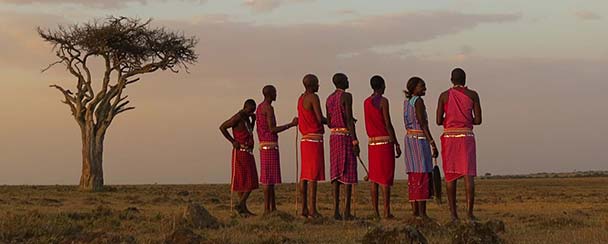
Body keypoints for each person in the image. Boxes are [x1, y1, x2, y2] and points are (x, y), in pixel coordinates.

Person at [436, 68, 482, 223]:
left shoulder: (444, 96)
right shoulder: (473, 95)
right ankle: (469, 214)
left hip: (449, 137)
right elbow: (478, 120)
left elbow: (437, 120)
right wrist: (465, 120)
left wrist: (451, 120)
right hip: (466, 136)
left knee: (450, 175)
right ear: (465, 79)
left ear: (451, 79)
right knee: (468, 175)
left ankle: (453, 215)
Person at [256, 85, 298, 215]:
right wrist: (291, 125)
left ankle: (272, 208)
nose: (276, 94)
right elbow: (272, 129)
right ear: (270, 94)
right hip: (269, 145)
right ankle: (267, 209)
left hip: (264, 144)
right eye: (275, 92)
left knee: (270, 179)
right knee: (268, 180)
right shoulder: (268, 108)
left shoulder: (259, 107)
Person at [363, 75, 401, 219]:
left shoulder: (366, 102)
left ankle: (375, 211)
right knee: (385, 178)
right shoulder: (383, 101)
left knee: (374, 177)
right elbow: (388, 123)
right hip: (385, 142)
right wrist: (396, 142)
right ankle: (386, 211)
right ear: (382, 85)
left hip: (372, 143)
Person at [403, 77, 439, 219]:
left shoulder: (406, 102)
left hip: (410, 140)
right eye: (421, 86)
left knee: (413, 175)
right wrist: (432, 142)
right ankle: (422, 213)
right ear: (414, 88)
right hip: (419, 140)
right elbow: (422, 123)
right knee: (422, 174)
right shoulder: (418, 101)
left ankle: (415, 212)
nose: (424, 88)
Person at [326, 73, 359, 220]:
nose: (349, 81)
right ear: (342, 82)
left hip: (333, 137)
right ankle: (346, 211)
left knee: (335, 174)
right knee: (348, 172)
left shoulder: (329, 98)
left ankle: (335, 211)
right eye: (347, 79)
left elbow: (329, 121)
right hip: (345, 136)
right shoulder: (347, 96)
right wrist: (355, 141)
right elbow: (349, 121)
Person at [219, 99, 259, 217]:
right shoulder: (238, 117)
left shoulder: (247, 118)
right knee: (248, 180)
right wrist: (232, 141)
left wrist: (253, 121)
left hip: (248, 151)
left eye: (253, 111)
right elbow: (222, 127)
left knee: (247, 179)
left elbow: (248, 132)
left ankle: (243, 209)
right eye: (250, 110)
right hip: (240, 151)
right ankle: (240, 204)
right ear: (245, 107)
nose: (251, 112)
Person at [297, 74, 327, 218]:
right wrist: (336, 121)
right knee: (313, 175)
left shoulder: (300, 98)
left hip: (305, 140)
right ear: (312, 85)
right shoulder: (313, 97)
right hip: (314, 139)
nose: (318, 86)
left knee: (305, 175)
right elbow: (320, 118)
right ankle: (312, 209)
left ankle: (303, 208)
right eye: (317, 83)